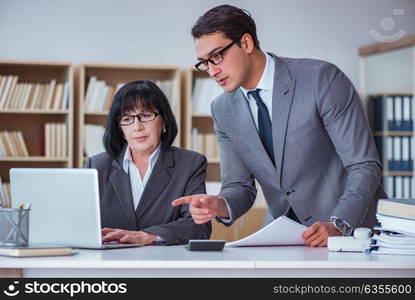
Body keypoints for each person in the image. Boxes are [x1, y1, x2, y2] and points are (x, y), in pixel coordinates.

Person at [172, 5, 386, 247]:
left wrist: (339, 223)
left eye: (217, 56)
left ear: (246, 43)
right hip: (286, 236)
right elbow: (239, 186)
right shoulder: (223, 109)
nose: (212, 70)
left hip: (354, 233)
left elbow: (364, 165)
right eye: (204, 63)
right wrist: (220, 204)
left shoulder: (321, 79)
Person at [86, 80, 211, 245]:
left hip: (164, 264)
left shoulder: (190, 164)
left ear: (164, 121)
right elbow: (81, 223)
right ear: (120, 129)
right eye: (127, 118)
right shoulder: (96, 166)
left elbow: (199, 227)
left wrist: (149, 236)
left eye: (145, 116)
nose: (137, 126)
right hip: (108, 264)